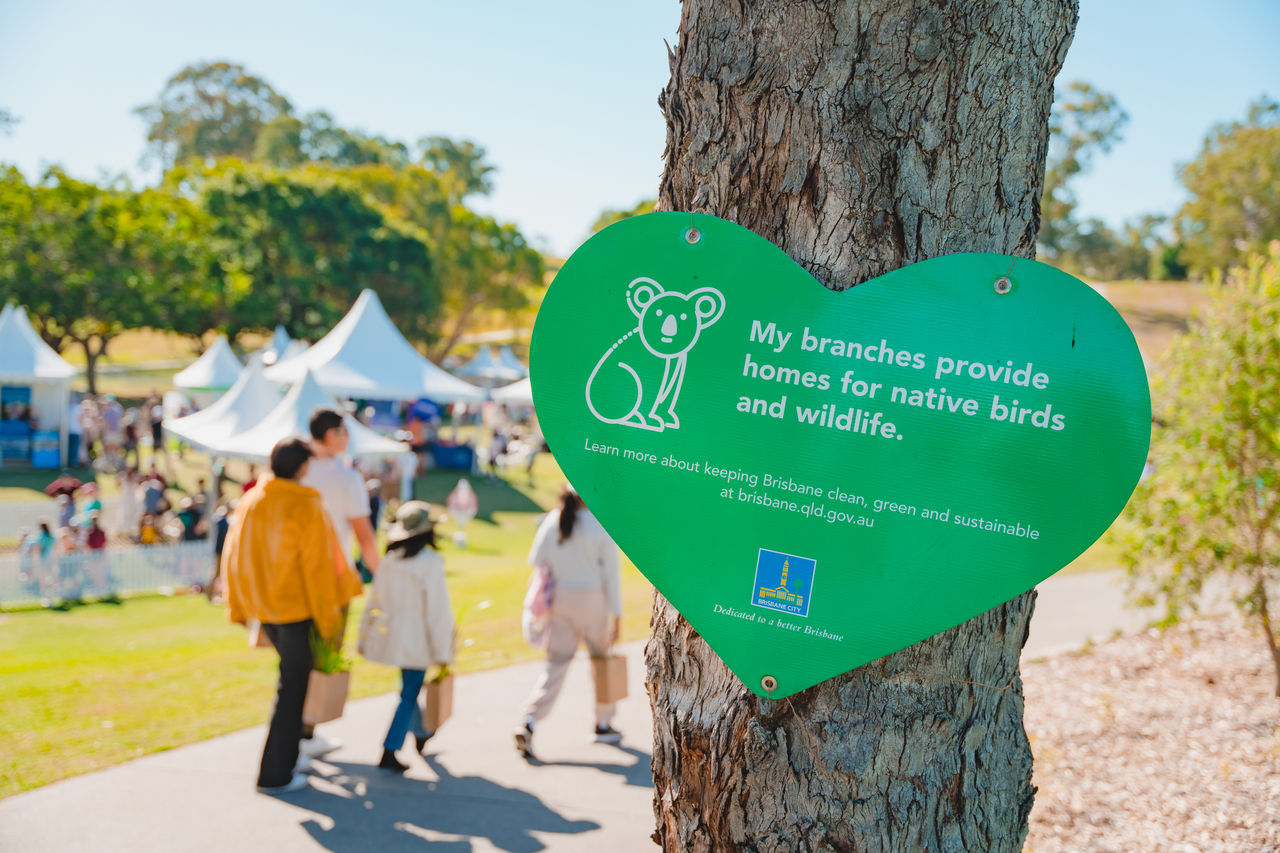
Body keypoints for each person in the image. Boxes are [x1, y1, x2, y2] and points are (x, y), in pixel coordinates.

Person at [222, 437, 354, 794]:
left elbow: (233, 557)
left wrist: (241, 605)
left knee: (292, 686)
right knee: (291, 691)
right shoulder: (304, 506)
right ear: (302, 467)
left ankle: (290, 759)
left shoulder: (254, 500)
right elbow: (318, 569)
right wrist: (329, 620)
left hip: (267, 610)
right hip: (296, 612)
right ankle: (275, 773)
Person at [514, 486, 624, 757]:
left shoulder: (553, 519)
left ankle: (530, 720)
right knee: (601, 663)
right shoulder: (599, 524)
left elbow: (535, 559)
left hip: (560, 600)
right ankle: (602, 722)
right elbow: (612, 576)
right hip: (592, 601)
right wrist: (617, 616)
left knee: (555, 664)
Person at [298, 407, 379, 758]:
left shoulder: (294, 471)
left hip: (295, 576)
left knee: (298, 657)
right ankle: (306, 732)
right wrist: (382, 576)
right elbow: (364, 535)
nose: (348, 438)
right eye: (344, 431)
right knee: (324, 654)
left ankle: (300, 732)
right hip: (333, 577)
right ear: (330, 436)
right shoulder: (346, 478)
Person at [357, 501, 456, 773]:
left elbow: (374, 602)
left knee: (408, 690)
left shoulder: (390, 560)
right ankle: (390, 748)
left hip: (394, 638)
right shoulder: (430, 563)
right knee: (409, 694)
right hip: (419, 641)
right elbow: (437, 612)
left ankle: (422, 732)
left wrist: (364, 636)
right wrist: (443, 649)